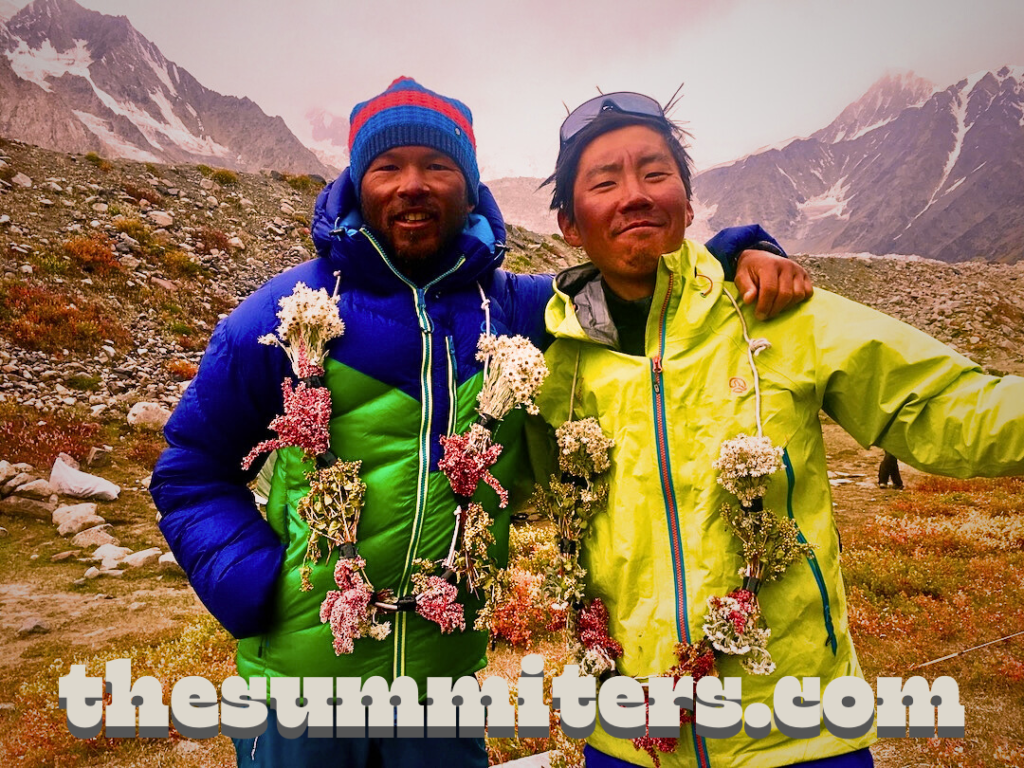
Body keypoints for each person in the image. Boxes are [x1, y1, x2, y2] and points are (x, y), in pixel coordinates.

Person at [150, 77, 809, 767]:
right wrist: (252, 582)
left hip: (443, 691)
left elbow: (633, 282)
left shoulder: (516, 310)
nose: (413, 185)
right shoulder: (287, 310)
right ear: (356, 184)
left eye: (438, 167)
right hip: (300, 686)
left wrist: (738, 252)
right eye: (387, 167)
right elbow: (190, 468)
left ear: (469, 190)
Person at [533, 92, 1024, 768]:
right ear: (568, 224)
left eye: (655, 173)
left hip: (800, 738)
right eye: (604, 181)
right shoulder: (554, 364)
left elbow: (947, 406)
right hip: (627, 742)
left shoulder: (779, 314)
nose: (635, 196)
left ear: (689, 202)